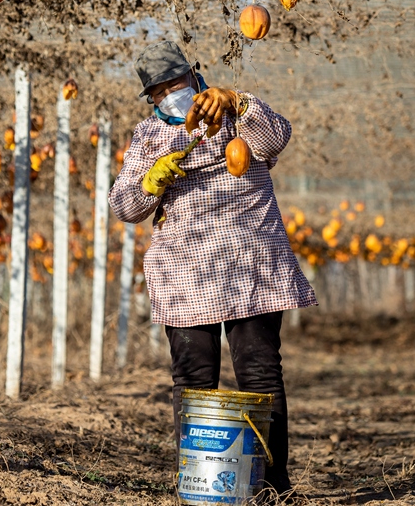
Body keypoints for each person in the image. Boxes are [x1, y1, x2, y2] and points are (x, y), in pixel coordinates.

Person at [108, 41, 317, 501]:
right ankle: (201, 487)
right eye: (159, 91)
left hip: (252, 267)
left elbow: (277, 136)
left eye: (175, 83)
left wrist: (239, 100)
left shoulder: (237, 114)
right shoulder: (148, 138)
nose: (170, 95)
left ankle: (271, 487)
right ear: (151, 99)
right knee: (193, 380)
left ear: (194, 75)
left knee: (260, 375)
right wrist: (151, 180)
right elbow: (124, 206)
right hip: (186, 276)